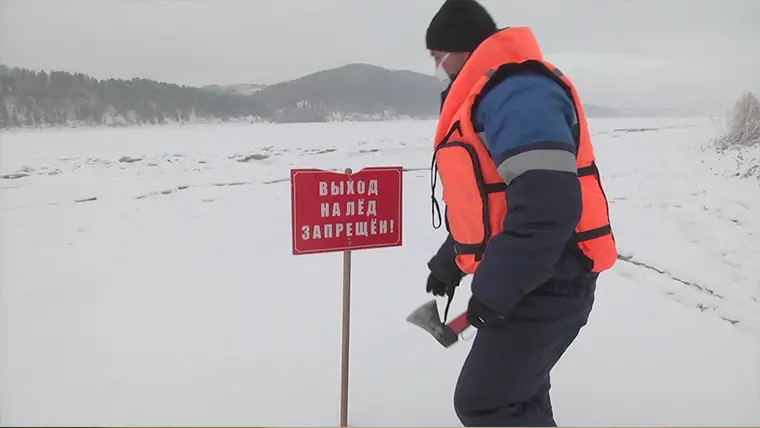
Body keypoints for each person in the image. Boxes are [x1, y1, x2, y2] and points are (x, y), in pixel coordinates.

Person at [422, 0, 618, 426]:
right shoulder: (494, 93)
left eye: (438, 55)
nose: (436, 65)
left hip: (549, 280)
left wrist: (493, 290)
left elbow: (546, 207)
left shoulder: (520, 92)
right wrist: (450, 261)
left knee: (486, 403)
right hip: (534, 278)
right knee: (519, 398)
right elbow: (495, 202)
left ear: (464, 48)